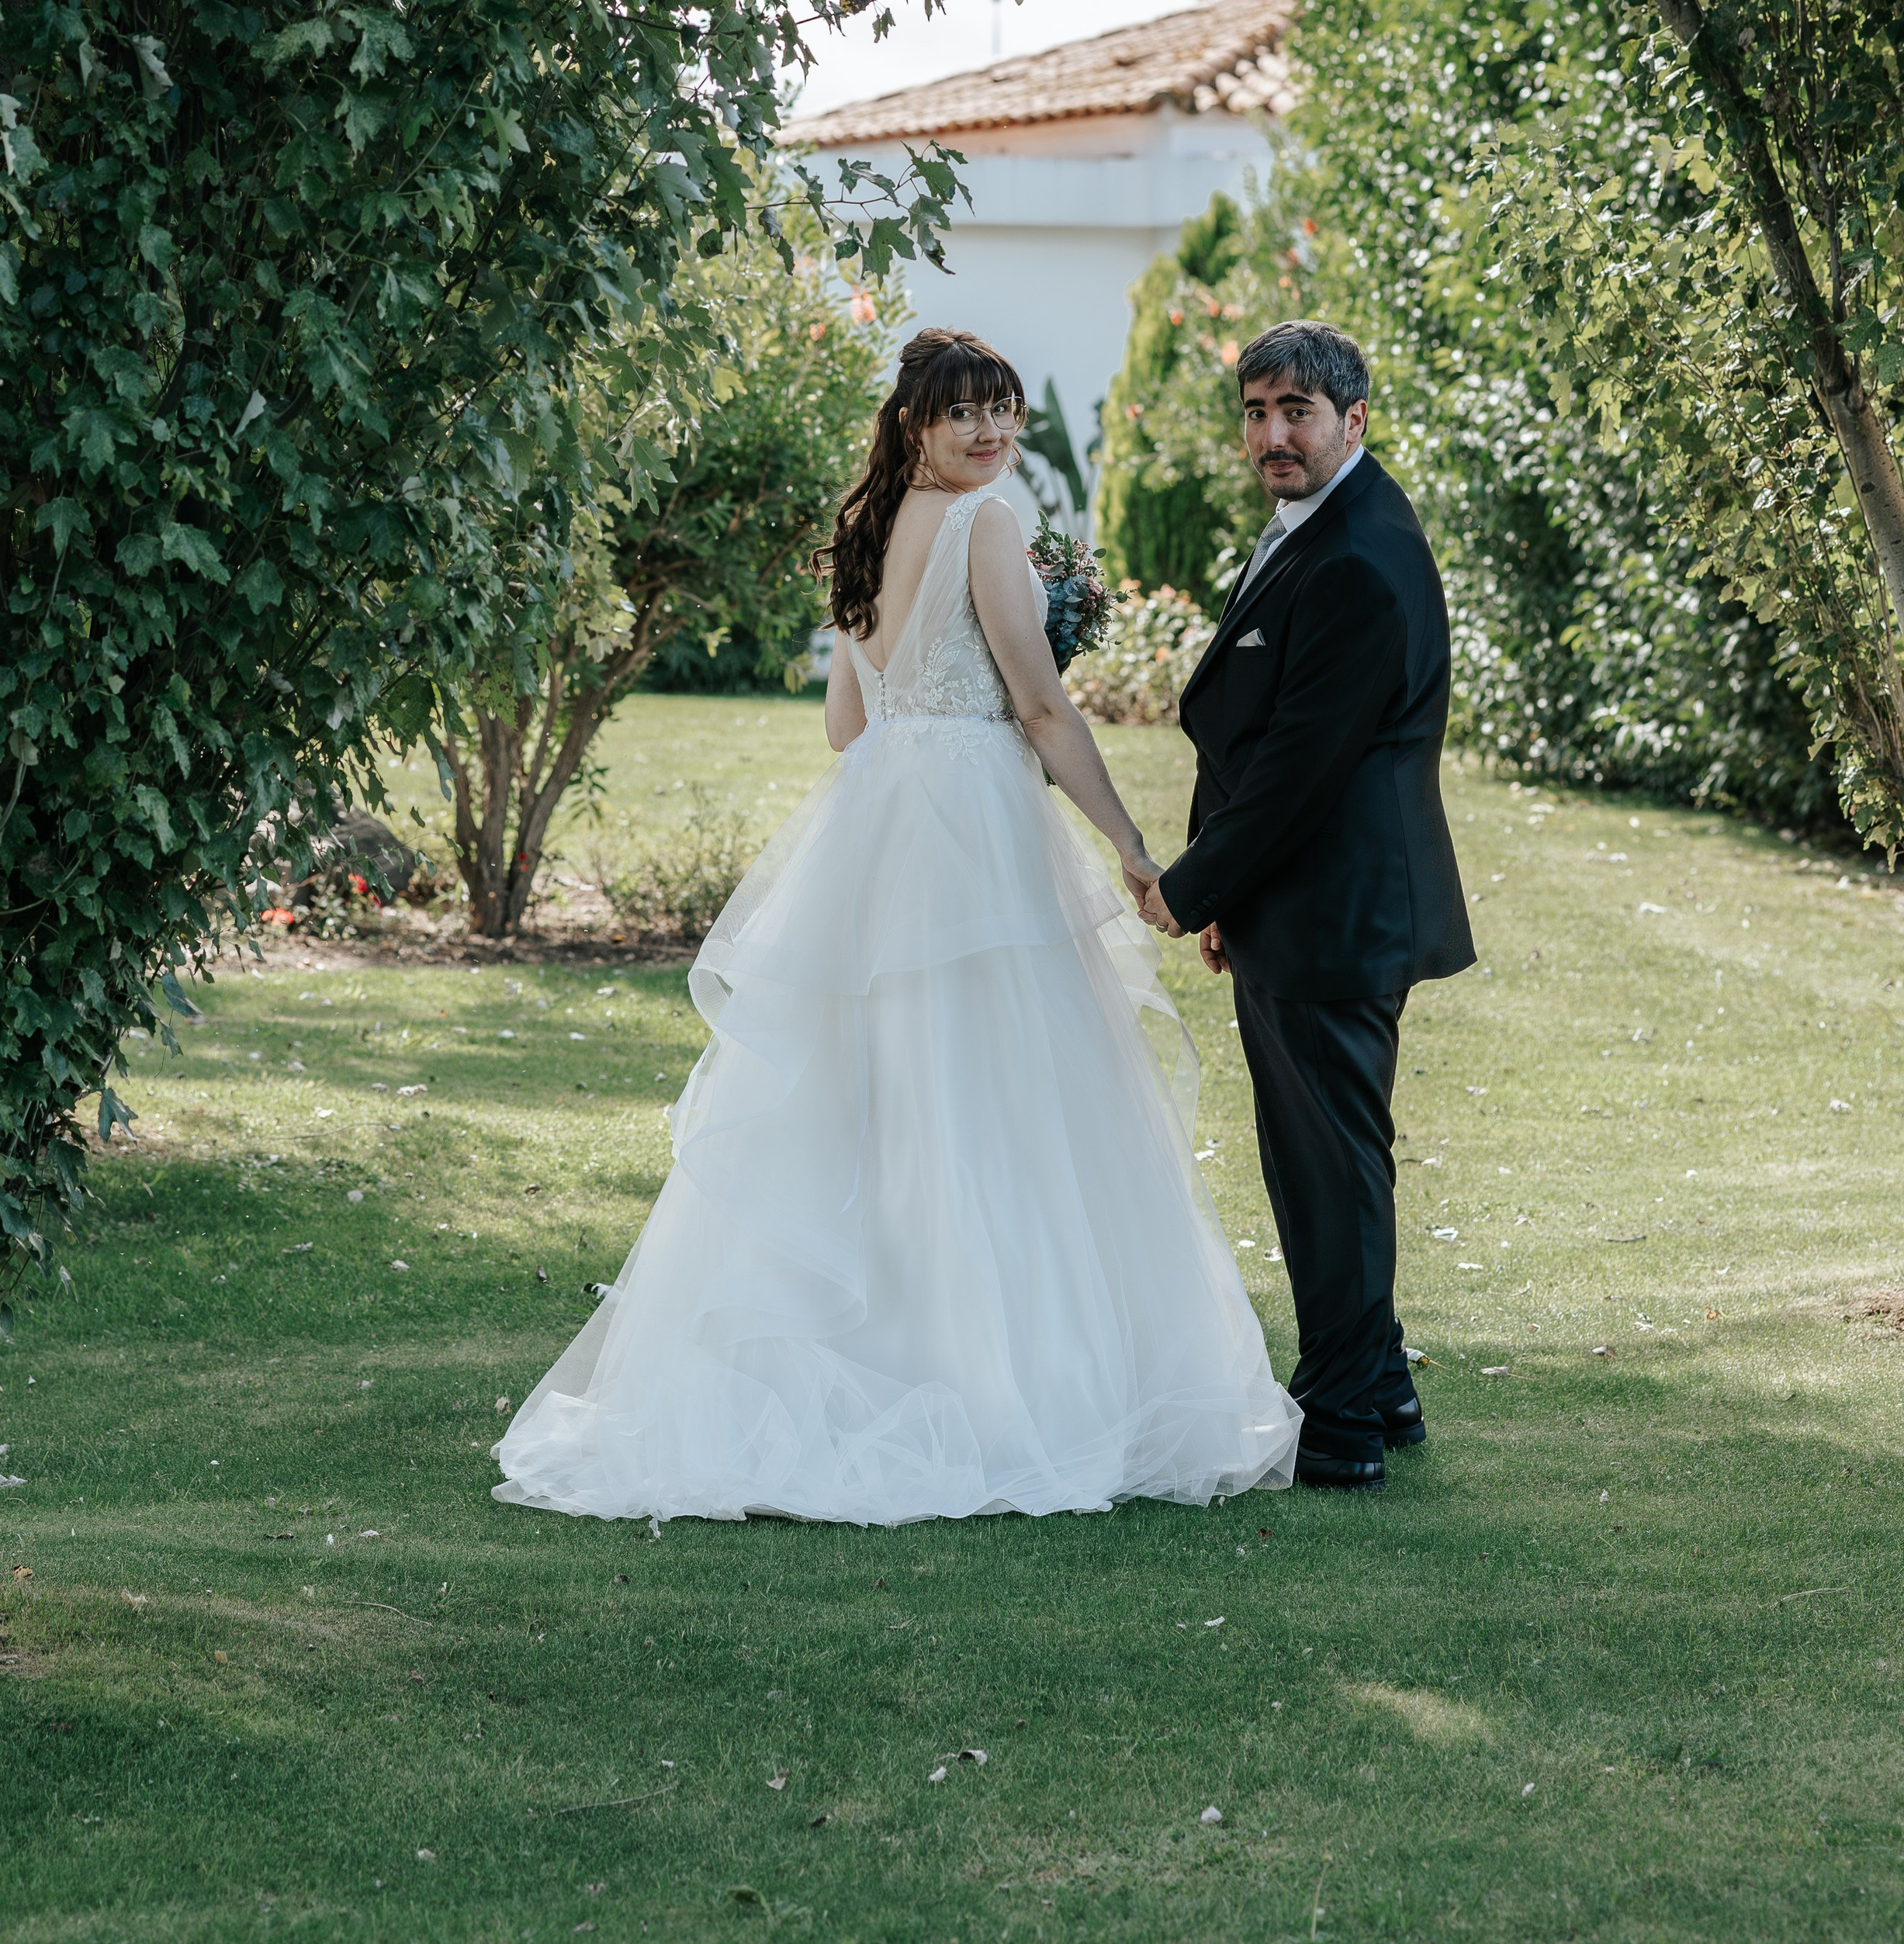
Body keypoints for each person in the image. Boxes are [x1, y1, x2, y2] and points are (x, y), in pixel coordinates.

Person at [493, 327, 1300, 1526]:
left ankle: (886, 1347)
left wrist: (941, 696)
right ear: (914, 422)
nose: (993, 435)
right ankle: (999, 1383)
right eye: (965, 414)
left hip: (883, 825)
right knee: (996, 1090)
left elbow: (844, 730)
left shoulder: (869, 528)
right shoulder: (990, 523)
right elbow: (1036, 703)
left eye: (1006, 413)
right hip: (969, 820)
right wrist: (1132, 846)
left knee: (887, 1092)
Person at [1141, 320, 1473, 1493]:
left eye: (1297, 413)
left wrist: (1188, 889)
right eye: (1257, 413)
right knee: (1331, 1161)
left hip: (1334, 910)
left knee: (1327, 1171)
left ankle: (1338, 1428)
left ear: (1354, 420)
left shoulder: (1355, 557)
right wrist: (1229, 892)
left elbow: (1297, 767)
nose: (1273, 435)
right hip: (1304, 903)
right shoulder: (1320, 525)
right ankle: (1380, 1386)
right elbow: (1248, 732)